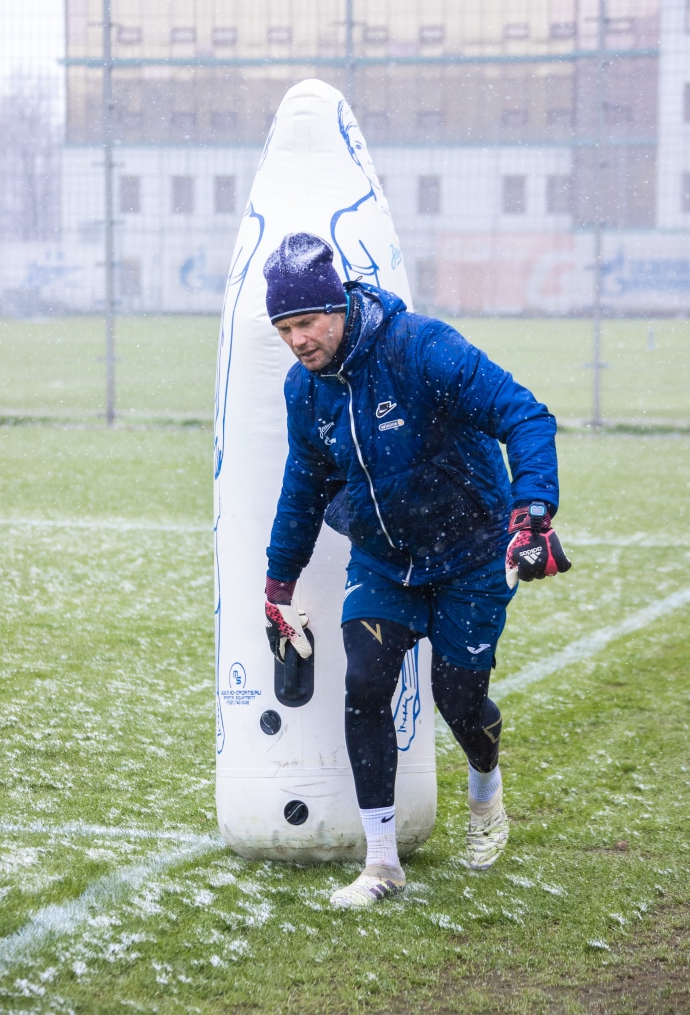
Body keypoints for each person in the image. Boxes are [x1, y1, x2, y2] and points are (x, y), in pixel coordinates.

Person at [262, 232, 570, 910]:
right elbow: (303, 484)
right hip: (384, 559)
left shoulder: (420, 346)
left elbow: (525, 415)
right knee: (366, 679)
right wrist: (277, 584)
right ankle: (382, 863)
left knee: (458, 698)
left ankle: (485, 788)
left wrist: (533, 509)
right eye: (283, 328)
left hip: (472, 551)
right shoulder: (303, 391)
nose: (297, 341)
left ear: (337, 305)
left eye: (306, 322)